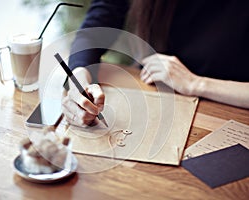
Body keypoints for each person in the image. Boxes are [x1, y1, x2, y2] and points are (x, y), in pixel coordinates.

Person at [61, 0, 249, 127]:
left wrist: (196, 83)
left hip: (228, 108)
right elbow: (103, 14)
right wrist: (78, 74)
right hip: (151, 90)